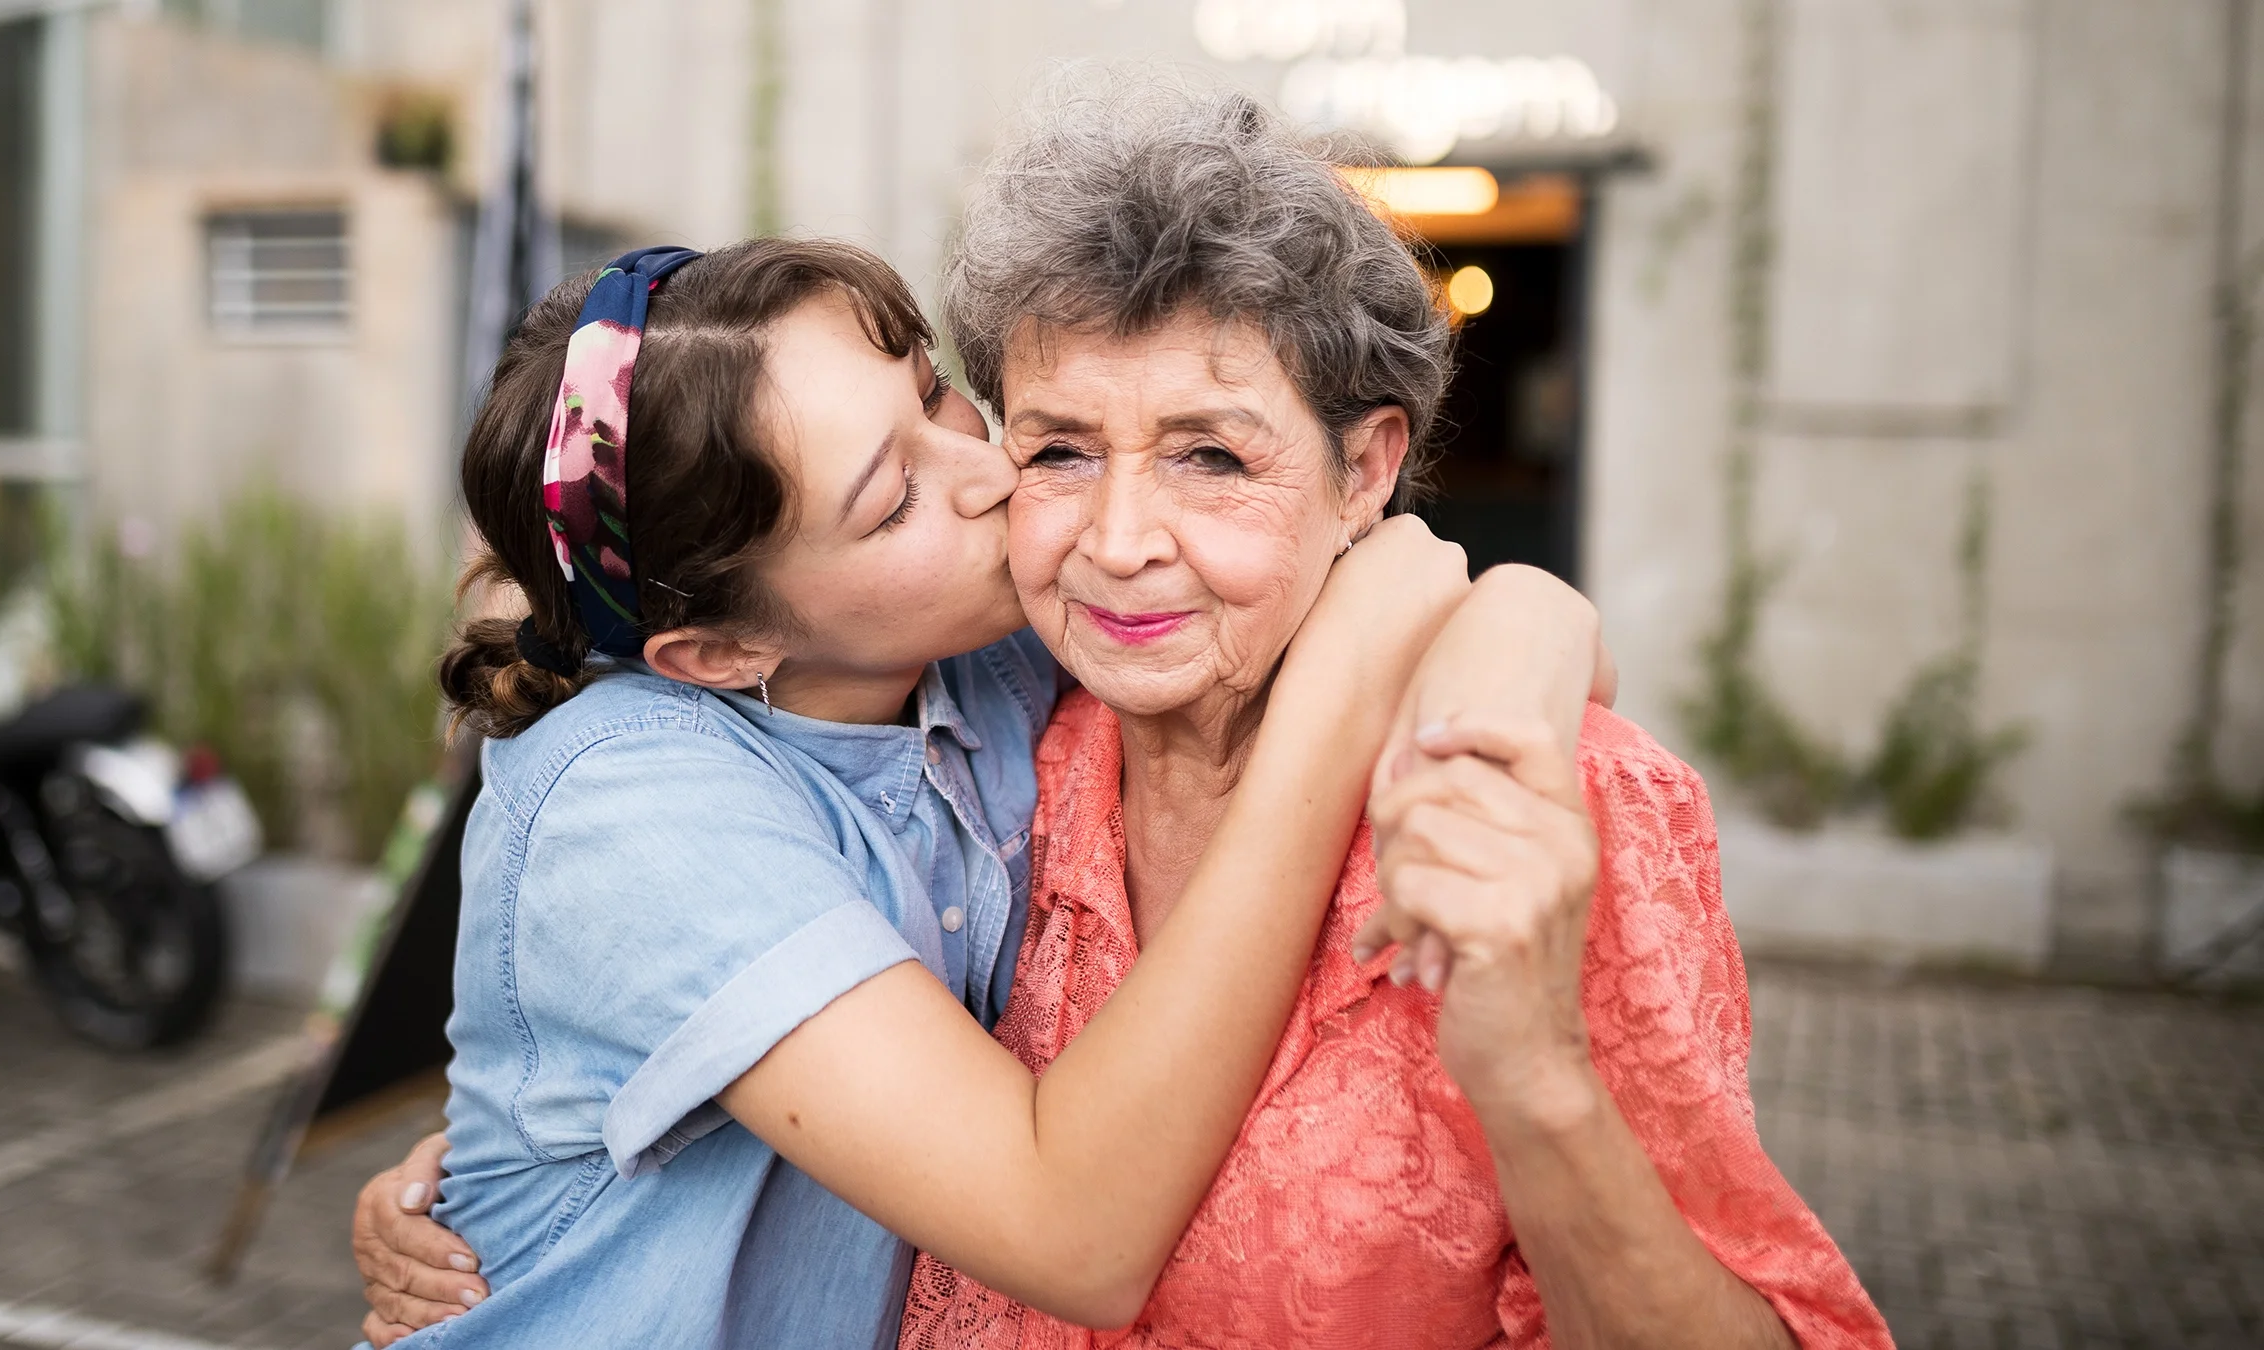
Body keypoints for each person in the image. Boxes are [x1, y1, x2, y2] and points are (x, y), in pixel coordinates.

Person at [356, 73, 1892, 1350]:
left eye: (1212, 454)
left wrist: (1523, 622)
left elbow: (1491, 616)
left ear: (1367, 468)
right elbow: (1059, 1226)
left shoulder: (1028, 685)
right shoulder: (817, 765)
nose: (1097, 531)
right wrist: (527, 1161)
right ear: (719, 646)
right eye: (1060, 448)